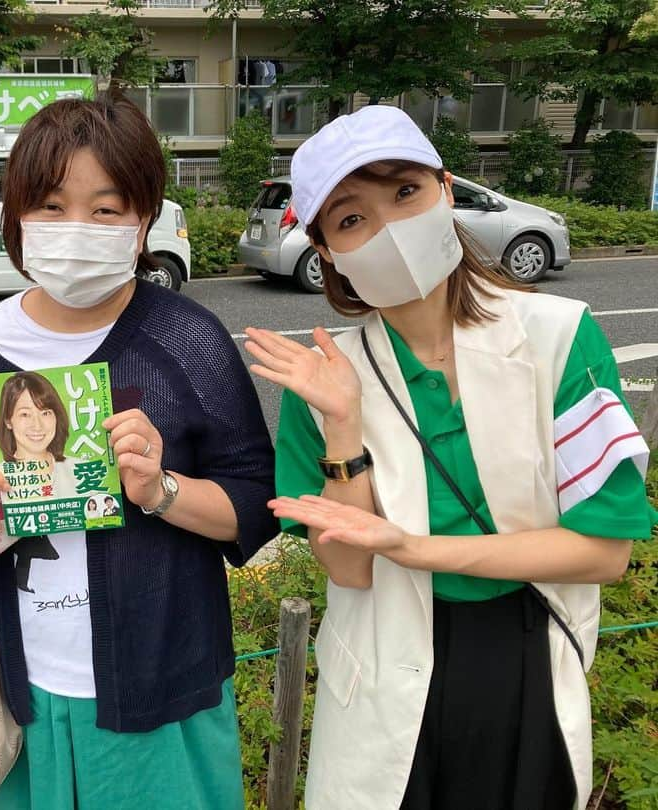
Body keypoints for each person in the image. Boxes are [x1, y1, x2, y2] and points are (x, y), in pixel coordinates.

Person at [245, 104, 656, 810]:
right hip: (382, 664)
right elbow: (348, 568)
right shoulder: (324, 378)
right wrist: (343, 424)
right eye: (351, 220)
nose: (388, 231)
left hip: (523, 653)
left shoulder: (562, 338)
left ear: (446, 188)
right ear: (326, 252)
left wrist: (416, 546)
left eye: (404, 193)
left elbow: (602, 551)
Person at [0, 92, 277, 810]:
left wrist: (161, 490)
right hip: (16, 691)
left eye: (107, 208)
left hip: (160, 685)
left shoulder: (188, 341)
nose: (75, 228)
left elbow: (254, 503)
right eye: (51, 206)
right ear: (16, 216)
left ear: (145, 218)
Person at [0, 370, 80, 498]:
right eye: (25, 414)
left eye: (45, 413)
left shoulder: (80, 469)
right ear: (8, 421)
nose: (37, 425)